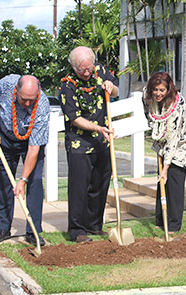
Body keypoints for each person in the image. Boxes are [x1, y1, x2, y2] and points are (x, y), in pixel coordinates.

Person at [59, 46, 119, 243]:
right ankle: (77, 229)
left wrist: (111, 86)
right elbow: (74, 118)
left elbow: (116, 91)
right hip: (79, 143)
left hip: (103, 140)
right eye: (81, 70)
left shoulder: (100, 71)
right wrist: (97, 128)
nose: (86, 73)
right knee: (79, 187)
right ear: (73, 67)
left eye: (88, 68)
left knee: (100, 184)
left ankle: (94, 225)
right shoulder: (67, 85)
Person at [0, 75, 50, 246]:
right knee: (4, 182)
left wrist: (23, 180)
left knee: (34, 182)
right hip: (5, 139)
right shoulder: (6, 84)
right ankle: (3, 228)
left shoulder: (42, 105)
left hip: (30, 143)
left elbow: (34, 148)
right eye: (24, 99)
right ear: (17, 90)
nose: (28, 103)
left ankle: (33, 231)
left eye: (31, 100)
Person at [143, 72, 186, 233]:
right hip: (163, 140)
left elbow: (174, 138)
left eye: (162, 90)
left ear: (168, 90)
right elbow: (150, 118)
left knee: (173, 179)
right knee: (161, 181)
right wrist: (158, 138)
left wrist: (166, 166)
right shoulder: (146, 97)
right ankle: (160, 219)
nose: (158, 93)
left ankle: (173, 223)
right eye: (155, 89)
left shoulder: (177, 104)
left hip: (182, 142)